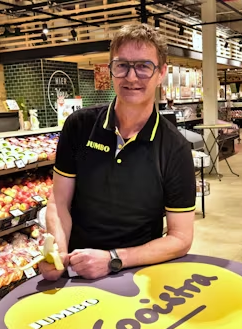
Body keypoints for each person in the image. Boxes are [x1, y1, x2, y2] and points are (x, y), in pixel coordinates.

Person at [39, 23, 196, 281]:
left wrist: (113, 259)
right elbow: (58, 202)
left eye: (144, 66)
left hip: (139, 274)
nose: (131, 77)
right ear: (110, 69)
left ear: (161, 73)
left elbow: (181, 238)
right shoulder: (79, 126)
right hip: (76, 271)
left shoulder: (175, 148)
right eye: (122, 65)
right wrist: (57, 252)